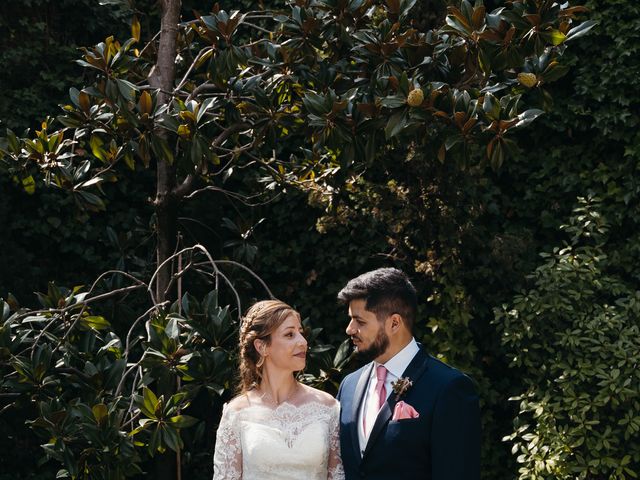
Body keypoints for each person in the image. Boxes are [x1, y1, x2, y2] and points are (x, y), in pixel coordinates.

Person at [336, 268, 481, 480]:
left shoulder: (449, 388)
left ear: (394, 323)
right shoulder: (349, 385)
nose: (349, 329)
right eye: (350, 319)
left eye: (360, 321)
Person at [213, 299, 344, 480]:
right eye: (290, 335)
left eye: (301, 333)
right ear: (262, 346)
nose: (303, 341)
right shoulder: (237, 412)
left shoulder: (327, 407)